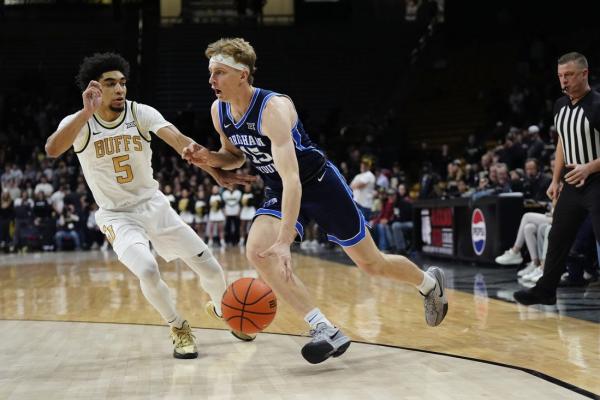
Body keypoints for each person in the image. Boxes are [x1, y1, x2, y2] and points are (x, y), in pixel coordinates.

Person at [183, 38, 448, 364]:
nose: (211, 81)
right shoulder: (219, 111)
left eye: (219, 73)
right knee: (258, 251)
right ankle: (324, 328)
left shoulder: (273, 109)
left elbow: (294, 178)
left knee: (371, 263)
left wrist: (285, 241)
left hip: (318, 185)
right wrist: (208, 158)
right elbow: (234, 157)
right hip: (278, 189)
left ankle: (429, 283)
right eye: (211, 73)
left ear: (243, 75)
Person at [45, 52, 256, 359]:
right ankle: (179, 327)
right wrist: (85, 112)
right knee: (146, 268)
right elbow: (52, 149)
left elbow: (182, 143)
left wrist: (217, 172)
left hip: (154, 206)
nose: (119, 89)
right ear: (95, 88)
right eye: (110, 84)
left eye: (122, 83)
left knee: (209, 265)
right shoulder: (81, 123)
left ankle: (224, 310)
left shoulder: (140, 113)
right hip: (117, 215)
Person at [514, 52, 600, 306]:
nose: (564, 81)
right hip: (573, 184)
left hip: (597, 181)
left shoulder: (596, 105)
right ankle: (546, 290)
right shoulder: (559, 106)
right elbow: (563, 141)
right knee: (558, 236)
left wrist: (589, 167)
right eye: (561, 76)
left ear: (585, 74)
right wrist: (555, 180)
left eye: (569, 75)